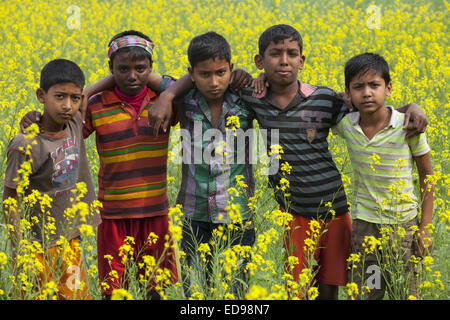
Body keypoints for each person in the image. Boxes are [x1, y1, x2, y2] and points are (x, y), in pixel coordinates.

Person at [148, 24, 428, 299]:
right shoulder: (246, 96)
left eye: (292, 54)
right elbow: (163, 78)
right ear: (260, 61)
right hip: (278, 210)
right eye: (275, 54)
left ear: (302, 60)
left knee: (332, 285)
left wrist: (409, 109)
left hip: (328, 207)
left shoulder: (310, 98)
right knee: (286, 288)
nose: (284, 61)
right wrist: (169, 94)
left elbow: (369, 110)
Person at [78, 31, 256, 298]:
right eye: (205, 74)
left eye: (222, 73)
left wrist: (248, 74)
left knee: (238, 291)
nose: (214, 81)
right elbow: (135, 76)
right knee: (193, 290)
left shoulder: (244, 98)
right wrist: (88, 92)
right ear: (192, 74)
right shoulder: (185, 99)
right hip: (188, 212)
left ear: (230, 69)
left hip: (235, 211)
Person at [332, 52, 434, 299]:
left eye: (374, 85)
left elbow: (427, 178)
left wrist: (426, 227)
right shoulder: (347, 125)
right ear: (349, 92)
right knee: (368, 293)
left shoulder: (408, 126)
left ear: (388, 88)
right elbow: (323, 107)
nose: (366, 93)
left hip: (404, 227)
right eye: (358, 87)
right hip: (364, 227)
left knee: (405, 292)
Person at [3, 59, 100, 299]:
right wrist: (21, 245)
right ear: (41, 95)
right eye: (59, 97)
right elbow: (9, 199)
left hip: (70, 242)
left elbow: (90, 90)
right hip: (35, 246)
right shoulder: (26, 144)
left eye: (74, 98)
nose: (68, 105)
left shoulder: (75, 122)